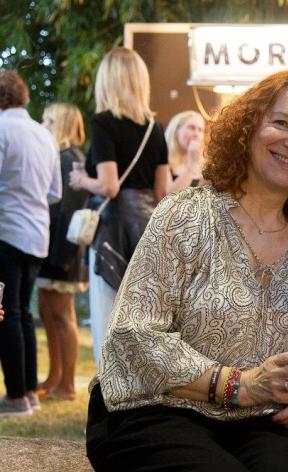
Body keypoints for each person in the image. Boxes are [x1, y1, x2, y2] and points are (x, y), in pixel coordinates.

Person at [85, 70, 288, 471]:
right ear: (248, 127)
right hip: (159, 410)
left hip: (263, 421)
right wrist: (239, 385)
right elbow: (132, 337)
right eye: (282, 123)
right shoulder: (185, 213)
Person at [69, 47, 171, 365]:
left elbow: (109, 186)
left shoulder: (103, 123)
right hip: (148, 230)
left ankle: (110, 386)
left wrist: (81, 179)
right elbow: (162, 191)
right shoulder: (155, 128)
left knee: (108, 316)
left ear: (107, 81)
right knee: (143, 318)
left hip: (113, 231)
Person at [0, 69, 62, 416]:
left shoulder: (2, 129)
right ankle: (29, 392)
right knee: (23, 313)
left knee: (6, 312)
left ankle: (15, 397)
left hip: (7, 230)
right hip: (38, 234)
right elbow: (54, 192)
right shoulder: (44, 134)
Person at [35, 103, 90, 401]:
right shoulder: (61, 156)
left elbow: (69, 213)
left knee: (62, 314)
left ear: (62, 124)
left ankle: (66, 384)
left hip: (62, 250)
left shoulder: (70, 159)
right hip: (53, 247)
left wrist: (61, 256)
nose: (42, 125)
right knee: (48, 311)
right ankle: (54, 377)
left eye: (48, 120)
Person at [165, 110, 206, 193]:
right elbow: (167, 197)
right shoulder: (164, 161)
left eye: (200, 130)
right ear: (176, 131)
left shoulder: (205, 164)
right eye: (191, 128)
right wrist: (192, 166)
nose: (196, 134)